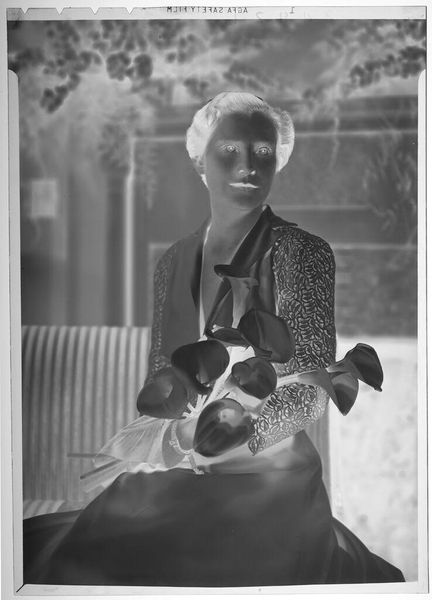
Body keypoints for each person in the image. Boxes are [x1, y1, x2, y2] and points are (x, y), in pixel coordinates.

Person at [23, 92, 404, 587]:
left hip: (268, 479)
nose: (249, 164)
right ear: (201, 161)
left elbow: (311, 387)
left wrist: (231, 432)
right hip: (181, 467)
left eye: (263, 151)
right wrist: (177, 437)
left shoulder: (304, 252)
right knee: (95, 536)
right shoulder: (172, 262)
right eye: (230, 149)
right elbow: (162, 380)